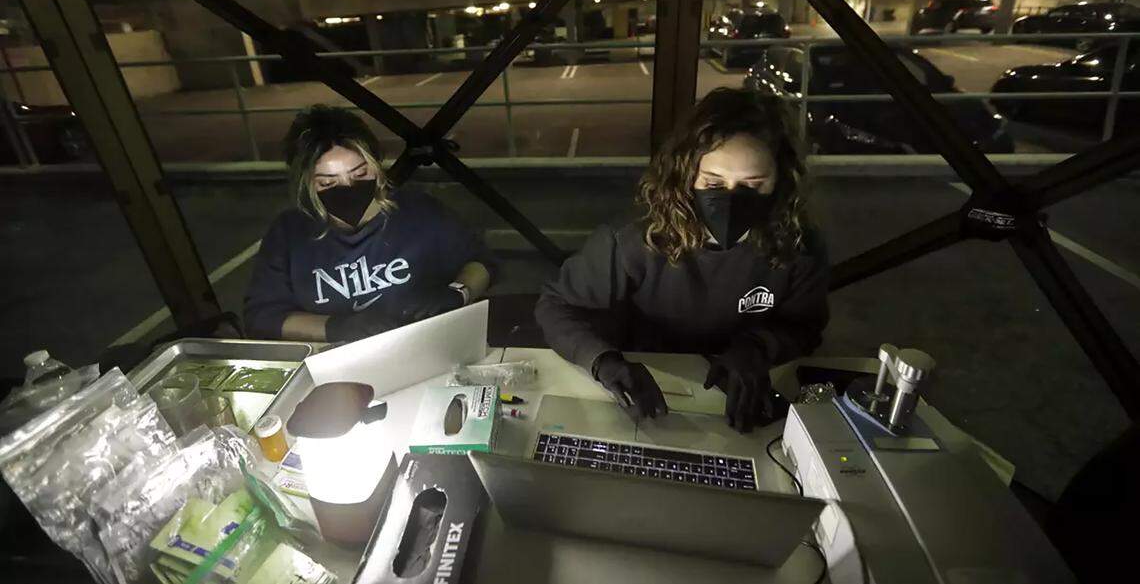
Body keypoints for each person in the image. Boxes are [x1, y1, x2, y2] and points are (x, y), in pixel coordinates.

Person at [535, 88, 829, 432]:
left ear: (780, 182)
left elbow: (805, 325)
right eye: (714, 182)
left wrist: (759, 347)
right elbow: (556, 305)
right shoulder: (634, 240)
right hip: (652, 386)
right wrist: (603, 361)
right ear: (687, 175)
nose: (732, 200)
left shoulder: (797, 245)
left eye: (752, 184)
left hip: (743, 390)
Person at [244, 105, 493, 342]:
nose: (348, 188)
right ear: (306, 184)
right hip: (340, 360)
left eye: (360, 174)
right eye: (328, 183)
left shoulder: (418, 210)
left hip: (427, 345)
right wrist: (336, 327)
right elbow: (263, 316)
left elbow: (481, 261)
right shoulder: (290, 232)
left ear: (376, 166)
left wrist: (458, 293)